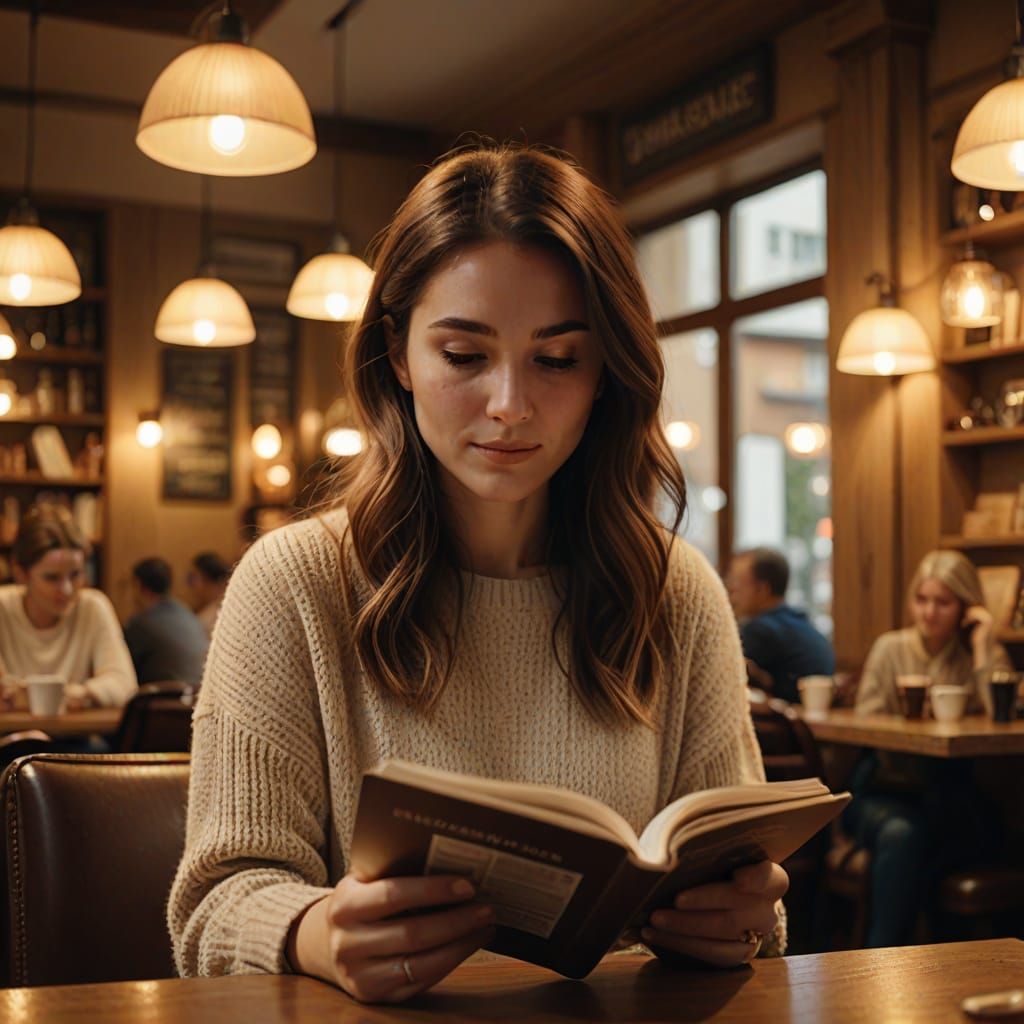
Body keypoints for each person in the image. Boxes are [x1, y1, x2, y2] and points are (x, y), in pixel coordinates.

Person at [168, 144, 788, 1004]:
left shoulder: (673, 589)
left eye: (557, 359)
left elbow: (748, 902)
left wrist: (741, 917)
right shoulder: (295, 582)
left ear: (607, 373)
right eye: (464, 356)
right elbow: (213, 906)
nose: (510, 404)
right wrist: (314, 933)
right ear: (399, 355)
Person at [843, 549, 1011, 947]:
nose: (929, 612)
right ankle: (882, 960)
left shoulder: (975, 654)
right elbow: (864, 723)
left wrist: (985, 642)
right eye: (922, 600)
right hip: (883, 789)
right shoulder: (892, 648)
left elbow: (998, 713)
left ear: (966, 607)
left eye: (943, 602)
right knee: (905, 834)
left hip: (948, 795)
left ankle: (946, 963)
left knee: (983, 831)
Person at [0, 503, 136, 710]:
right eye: (51, 577)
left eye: (75, 575)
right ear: (21, 573)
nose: (66, 589)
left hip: (75, 739)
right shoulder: (3, 608)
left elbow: (125, 685)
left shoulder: (92, 606)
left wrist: (80, 694)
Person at [725, 547, 834, 703]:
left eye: (736, 584)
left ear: (762, 589)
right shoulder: (802, 622)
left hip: (784, 723)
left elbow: (724, 676)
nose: (730, 592)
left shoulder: (761, 630)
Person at [123, 557, 209, 685]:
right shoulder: (188, 615)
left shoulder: (140, 624)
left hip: (161, 700)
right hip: (196, 697)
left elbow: (123, 671)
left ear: (140, 586)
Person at [187, 551, 230, 639]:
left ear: (208, 579)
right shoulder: (203, 610)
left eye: (193, 577)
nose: (190, 584)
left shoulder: (214, 616)